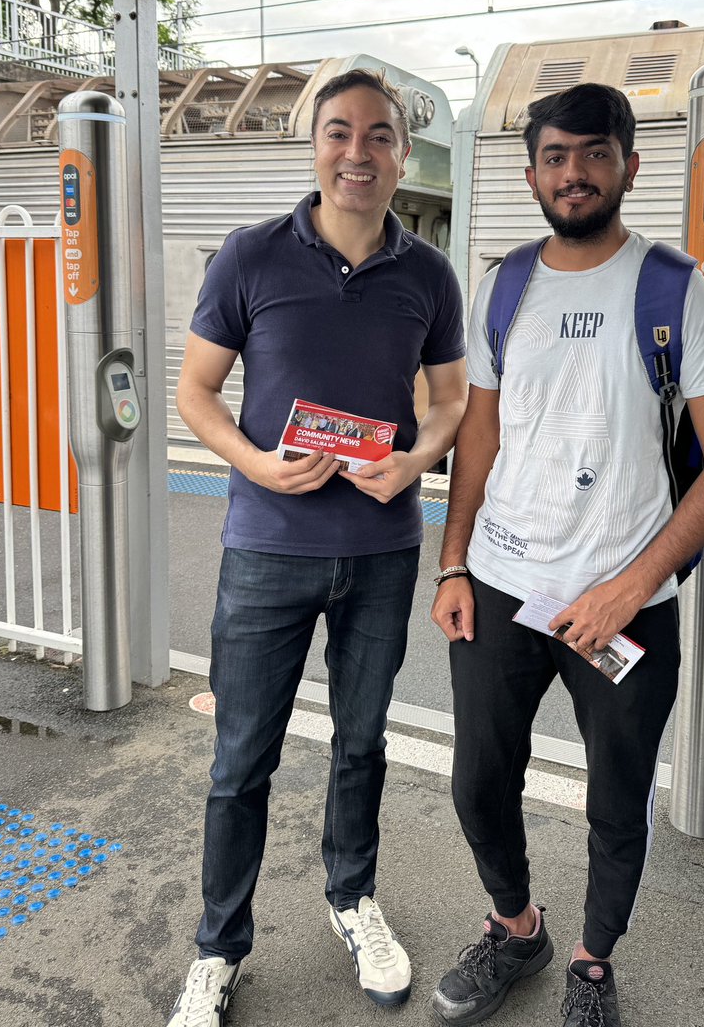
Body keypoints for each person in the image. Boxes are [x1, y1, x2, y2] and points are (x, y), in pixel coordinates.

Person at [430, 84, 704, 1027]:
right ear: (532, 171)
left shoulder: (671, 287)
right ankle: (516, 927)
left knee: (617, 798)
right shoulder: (501, 286)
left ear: (627, 166)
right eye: (556, 156)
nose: (574, 173)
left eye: (594, 154)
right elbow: (479, 445)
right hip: (498, 583)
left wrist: (631, 586)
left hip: (627, 597)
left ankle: (592, 962)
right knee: (479, 778)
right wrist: (452, 564)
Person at [169, 69, 467, 1026]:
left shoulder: (427, 273)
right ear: (314, 146)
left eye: (378, 136)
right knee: (240, 761)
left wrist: (416, 457)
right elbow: (195, 394)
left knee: (360, 745)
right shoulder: (251, 257)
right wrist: (255, 463)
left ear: (399, 154)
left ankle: (352, 899)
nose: (357, 152)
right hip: (266, 549)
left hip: (381, 549)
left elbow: (453, 399)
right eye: (339, 132)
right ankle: (218, 950)